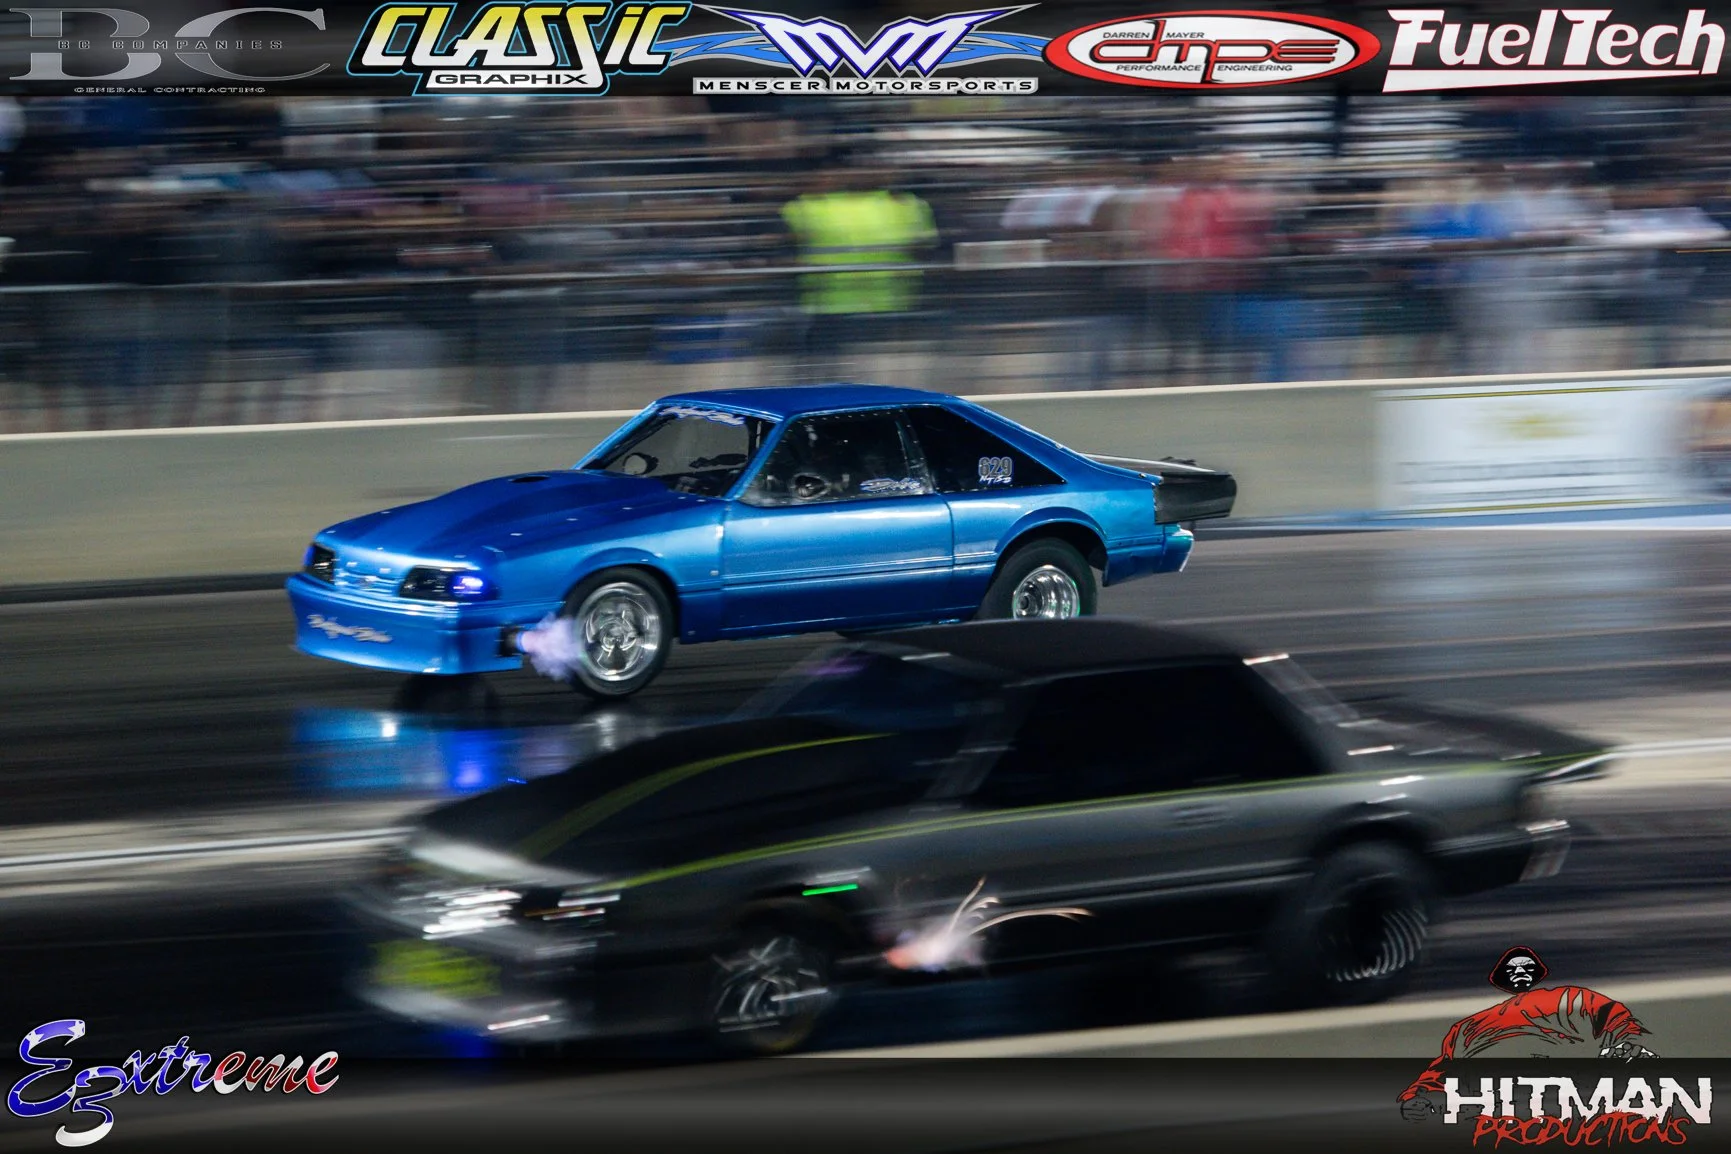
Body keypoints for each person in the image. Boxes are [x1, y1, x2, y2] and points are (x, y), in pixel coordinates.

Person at [780, 166, 937, 371]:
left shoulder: (808, 206)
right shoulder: (908, 205)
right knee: (883, 372)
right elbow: (925, 249)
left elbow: (789, 240)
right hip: (887, 302)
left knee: (829, 373)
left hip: (831, 304)